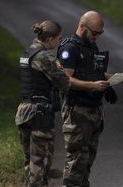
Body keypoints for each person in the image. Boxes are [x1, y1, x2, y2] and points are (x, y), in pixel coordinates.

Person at [57, 11, 120, 187]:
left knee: (86, 161)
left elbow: (94, 72)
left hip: (93, 110)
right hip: (77, 110)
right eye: (94, 33)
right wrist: (92, 86)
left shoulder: (91, 47)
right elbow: (65, 79)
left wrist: (113, 78)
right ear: (82, 27)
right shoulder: (70, 48)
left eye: (100, 33)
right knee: (76, 161)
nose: (97, 37)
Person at [15, 20, 70, 186]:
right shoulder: (44, 57)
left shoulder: (28, 52)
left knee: (29, 163)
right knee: (41, 163)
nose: (59, 42)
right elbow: (64, 82)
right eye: (59, 39)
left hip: (24, 111)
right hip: (40, 113)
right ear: (50, 38)